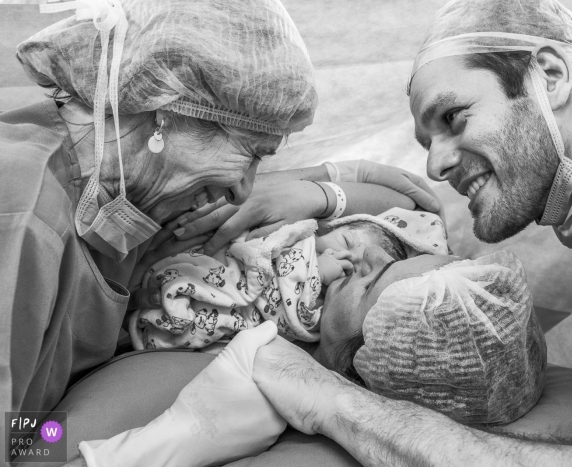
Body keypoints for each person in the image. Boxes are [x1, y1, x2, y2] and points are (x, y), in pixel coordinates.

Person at [234, 0, 572, 465]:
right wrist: (322, 184)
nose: (435, 165)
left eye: (454, 117)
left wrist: (336, 404)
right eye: (427, 142)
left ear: (552, 75)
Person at [0, 0, 441, 426]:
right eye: (252, 154)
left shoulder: (122, 197)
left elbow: (412, 205)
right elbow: (14, 446)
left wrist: (325, 185)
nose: (244, 187)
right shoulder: (26, 220)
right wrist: (68, 452)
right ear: (166, 115)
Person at [68, 248, 546, 467]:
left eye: (369, 283)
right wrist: (329, 186)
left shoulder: (210, 374)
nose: (368, 255)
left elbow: (26, 446)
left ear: (359, 363)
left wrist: (172, 439)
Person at [128, 206, 446, 351]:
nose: (349, 260)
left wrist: (319, 278)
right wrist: (314, 267)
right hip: (221, 272)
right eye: (347, 243)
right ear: (327, 229)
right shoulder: (300, 241)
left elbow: (295, 316)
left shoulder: (331, 308)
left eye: (362, 267)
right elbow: (265, 257)